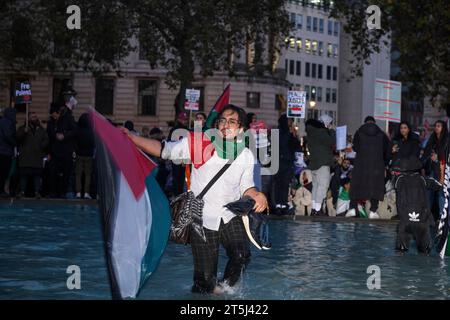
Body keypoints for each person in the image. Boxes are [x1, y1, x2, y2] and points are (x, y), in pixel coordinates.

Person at [122, 104, 268, 294]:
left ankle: (225, 290)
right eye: (222, 120)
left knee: (242, 255)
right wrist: (132, 138)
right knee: (204, 283)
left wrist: (257, 194)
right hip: (201, 218)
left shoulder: (246, 155)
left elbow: (246, 187)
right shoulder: (198, 144)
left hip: (230, 215)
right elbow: (163, 150)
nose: (225, 125)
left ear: (241, 129)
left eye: (232, 121)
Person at [347, 116, 391, 219]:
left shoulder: (359, 132)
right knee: (375, 186)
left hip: (361, 164)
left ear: (365, 122)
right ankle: (373, 211)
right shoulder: (381, 134)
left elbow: (356, 147)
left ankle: (352, 208)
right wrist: (385, 162)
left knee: (357, 184)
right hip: (377, 165)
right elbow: (387, 150)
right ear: (374, 123)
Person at [305, 114, 336, 216]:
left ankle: (314, 208)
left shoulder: (311, 133)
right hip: (323, 163)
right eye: (330, 123)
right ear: (326, 123)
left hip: (314, 163)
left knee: (316, 186)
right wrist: (331, 131)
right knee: (323, 186)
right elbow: (331, 141)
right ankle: (317, 209)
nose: (331, 125)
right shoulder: (322, 132)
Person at [50, 95, 78, 198]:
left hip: (66, 150)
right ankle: (53, 191)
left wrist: (64, 136)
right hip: (55, 150)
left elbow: (75, 131)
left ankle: (63, 191)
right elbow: (49, 133)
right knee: (54, 172)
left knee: (66, 172)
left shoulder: (69, 118)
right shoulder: (52, 121)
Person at [16, 112, 49, 198]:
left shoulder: (41, 129)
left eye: (35, 116)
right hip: (25, 156)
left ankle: (37, 192)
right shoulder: (22, 128)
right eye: (32, 117)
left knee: (37, 176)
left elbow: (46, 139)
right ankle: (22, 191)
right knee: (24, 176)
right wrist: (24, 132)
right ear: (28, 118)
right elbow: (18, 138)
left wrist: (42, 145)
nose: (35, 118)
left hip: (37, 156)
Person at [273, 114, 301, 214]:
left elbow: (297, 147)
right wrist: (292, 136)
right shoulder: (281, 133)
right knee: (281, 183)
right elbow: (285, 145)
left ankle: (281, 204)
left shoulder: (281, 132)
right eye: (289, 120)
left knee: (283, 183)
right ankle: (279, 204)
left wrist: (294, 136)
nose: (291, 122)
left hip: (284, 161)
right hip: (282, 161)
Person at [422, 120, 449, 221]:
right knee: (429, 193)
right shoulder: (432, 139)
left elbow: (447, 156)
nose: (436, 128)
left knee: (441, 194)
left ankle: (443, 217)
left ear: (443, 127)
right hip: (432, 170)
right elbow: (426, 154)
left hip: (443, 171)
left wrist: (438, 158)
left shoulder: (447, 140)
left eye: (439, 126)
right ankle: (427, 217)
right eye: (435, 126)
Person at [168, 111, 189, 197]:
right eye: (183, 119)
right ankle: (177, 195)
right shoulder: (175, 130)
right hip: (177, 157)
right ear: (179, 119)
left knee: (180, 178)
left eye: (185, 120)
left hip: (181, 157)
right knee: (177, 178)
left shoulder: (186, 129)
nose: (184, 121)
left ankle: (178, 195)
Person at [75, 113, 95, 199]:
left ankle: (78, 192)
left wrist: (76, 151)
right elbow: (93, 144)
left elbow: (75, 143)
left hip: (79, 154)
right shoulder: (91, 132)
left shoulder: (78, 131)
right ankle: (86, 192)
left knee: (78, 174)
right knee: (88, 175)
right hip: (89, 155)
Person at [0, 105, 16, 197]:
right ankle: (1, 190)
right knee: (3, 172)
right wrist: (15, 142)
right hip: (4, 151)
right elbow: (8, 135)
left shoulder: (3, 121)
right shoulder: (7, 122)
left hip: (4, 150)